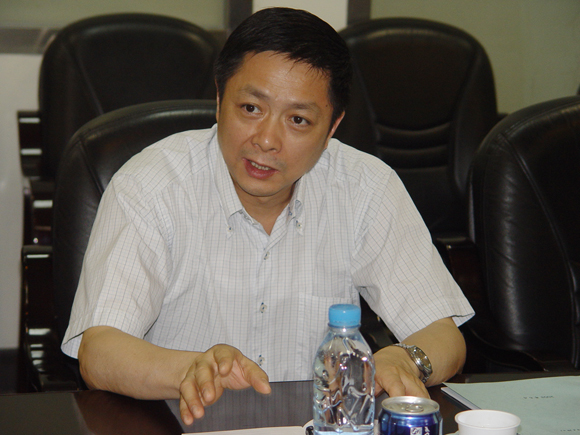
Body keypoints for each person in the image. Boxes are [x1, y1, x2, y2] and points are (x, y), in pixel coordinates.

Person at [62, 7, 474, 426]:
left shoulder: (366, 188)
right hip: (179, 425)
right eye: (250, 108)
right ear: (220, 99)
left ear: (332, 127)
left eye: (298, 120)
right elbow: (99, 351)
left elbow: (444, 334)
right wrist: (190, 370)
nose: (266, 140)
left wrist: (404, 359)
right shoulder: (150, 186)